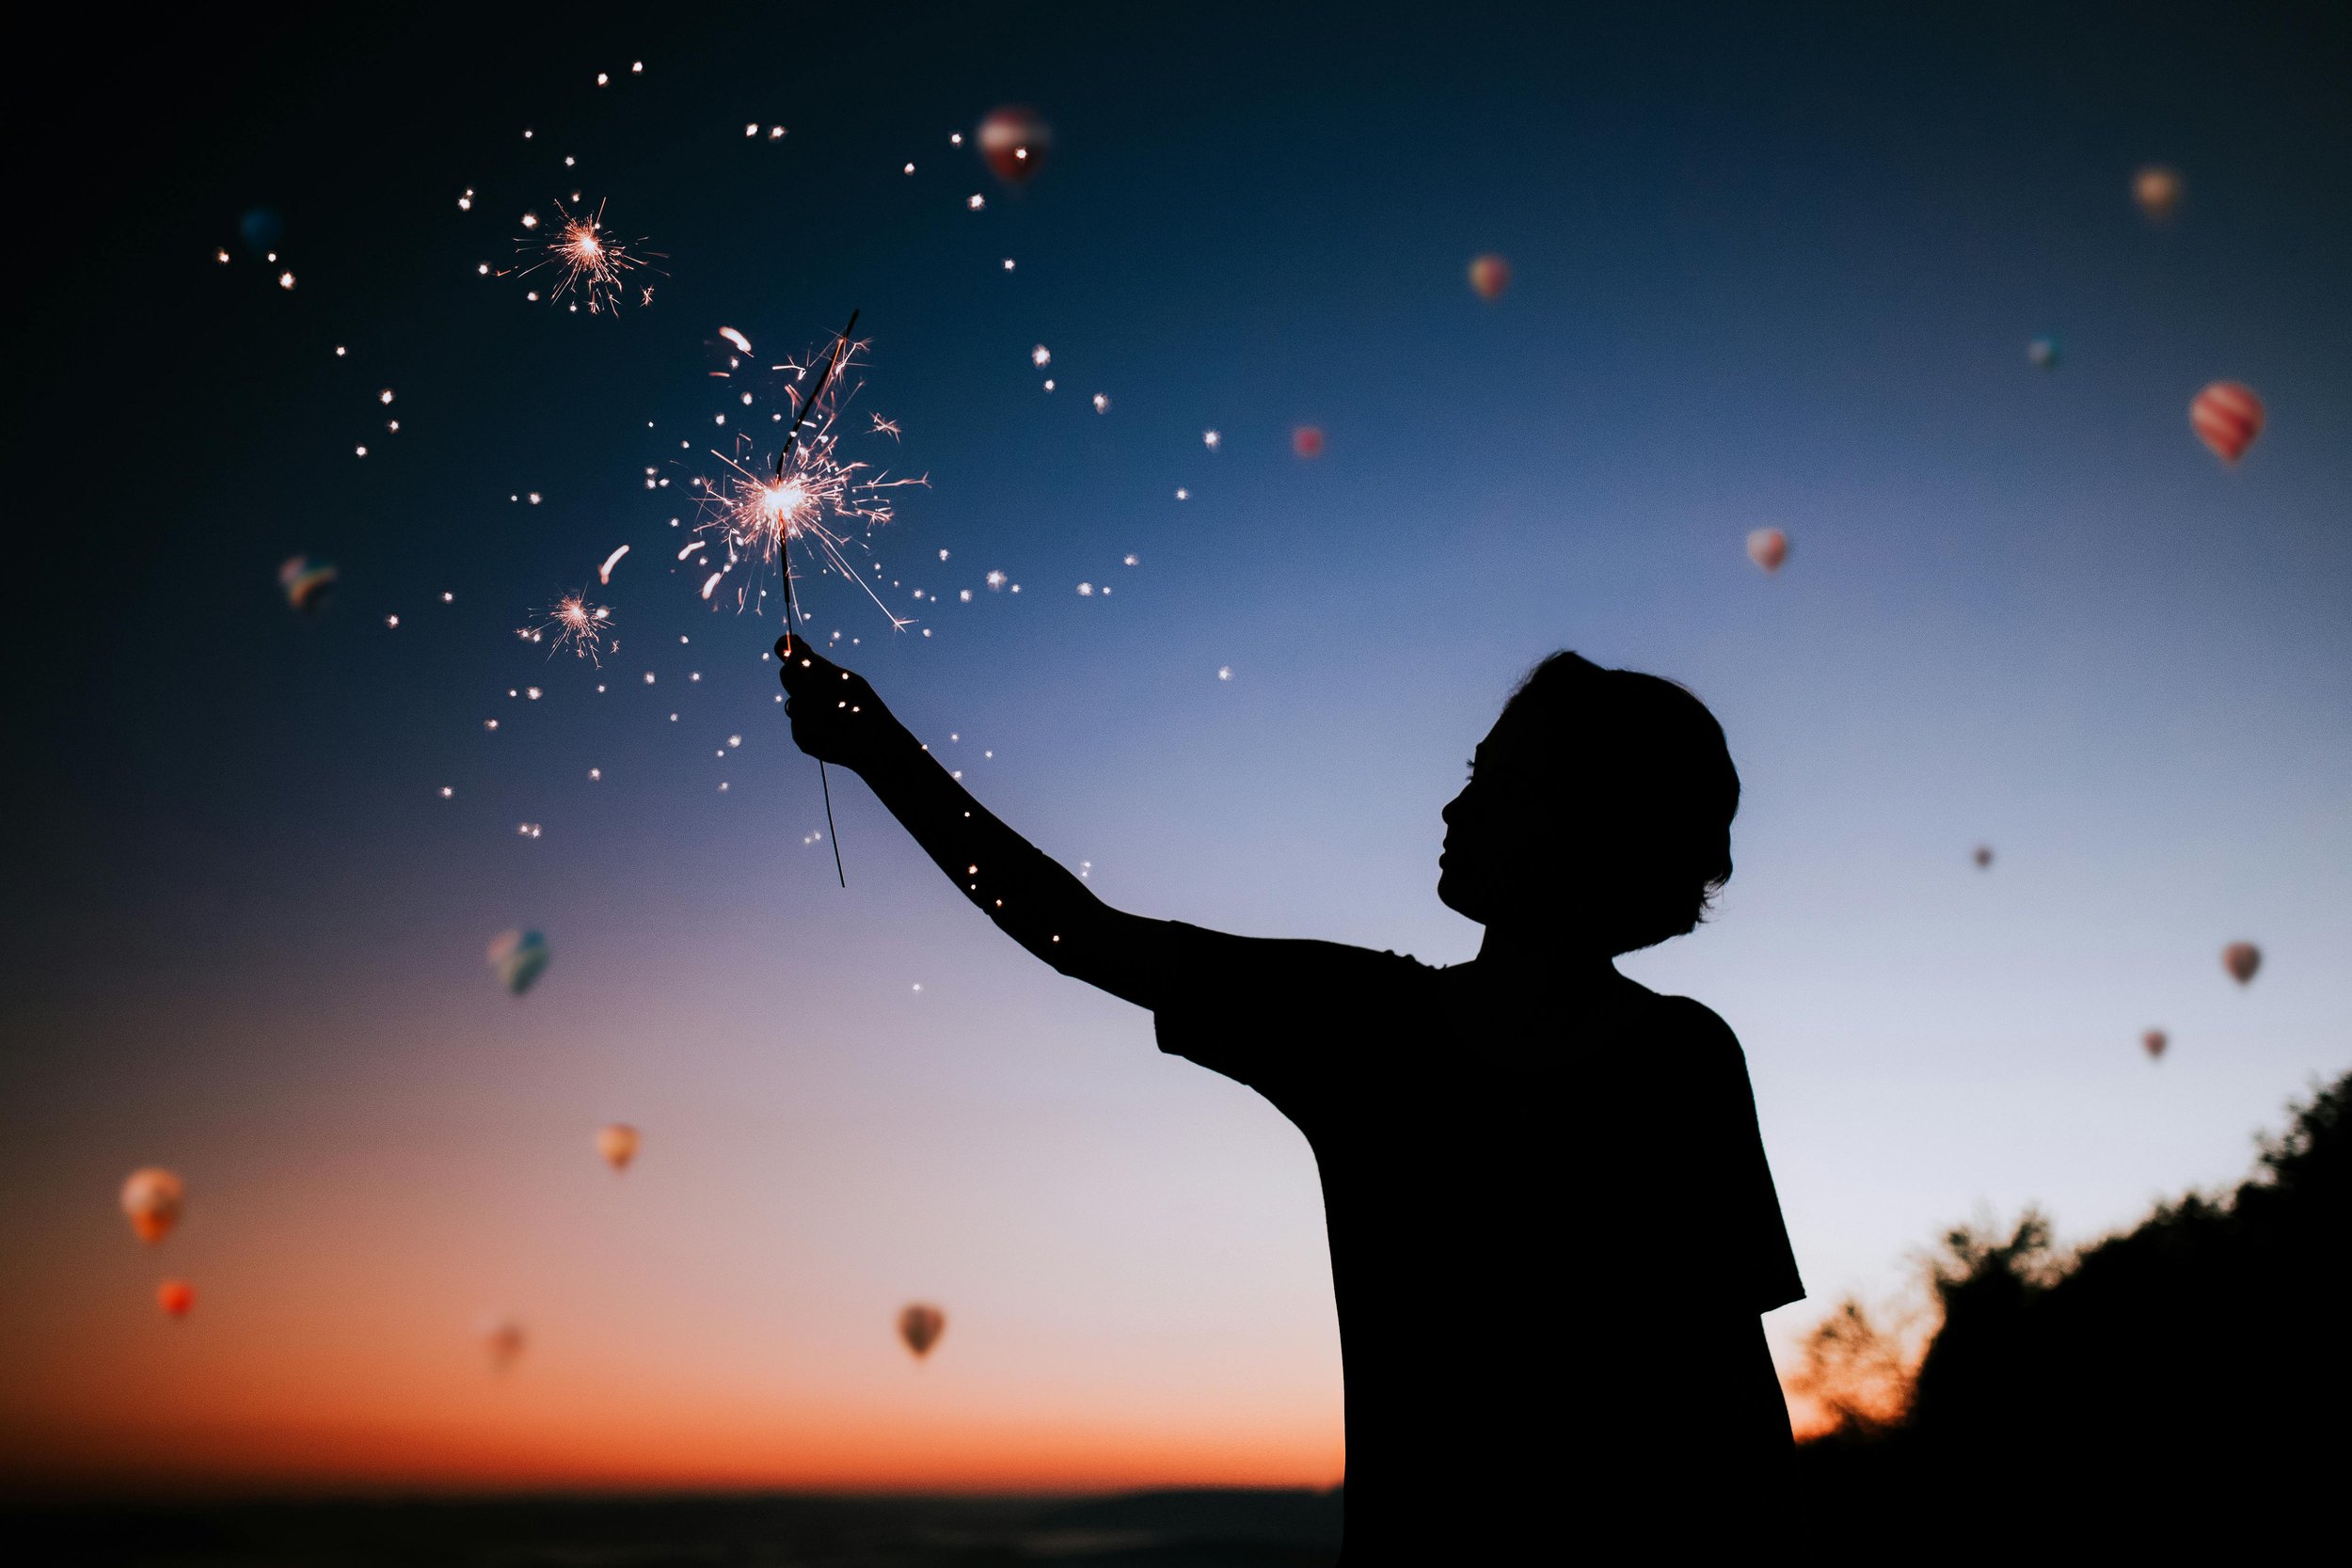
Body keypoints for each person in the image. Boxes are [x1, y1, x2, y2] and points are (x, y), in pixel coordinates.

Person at [776, 636, 1802, 1559]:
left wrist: (878, 748)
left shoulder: (1380, 1028)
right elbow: (1740, 1409)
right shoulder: (1671, 1058)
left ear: (1582, 824)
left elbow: (1072, 933)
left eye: (1493, 779)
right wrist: (877, 749)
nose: (1452, 806)